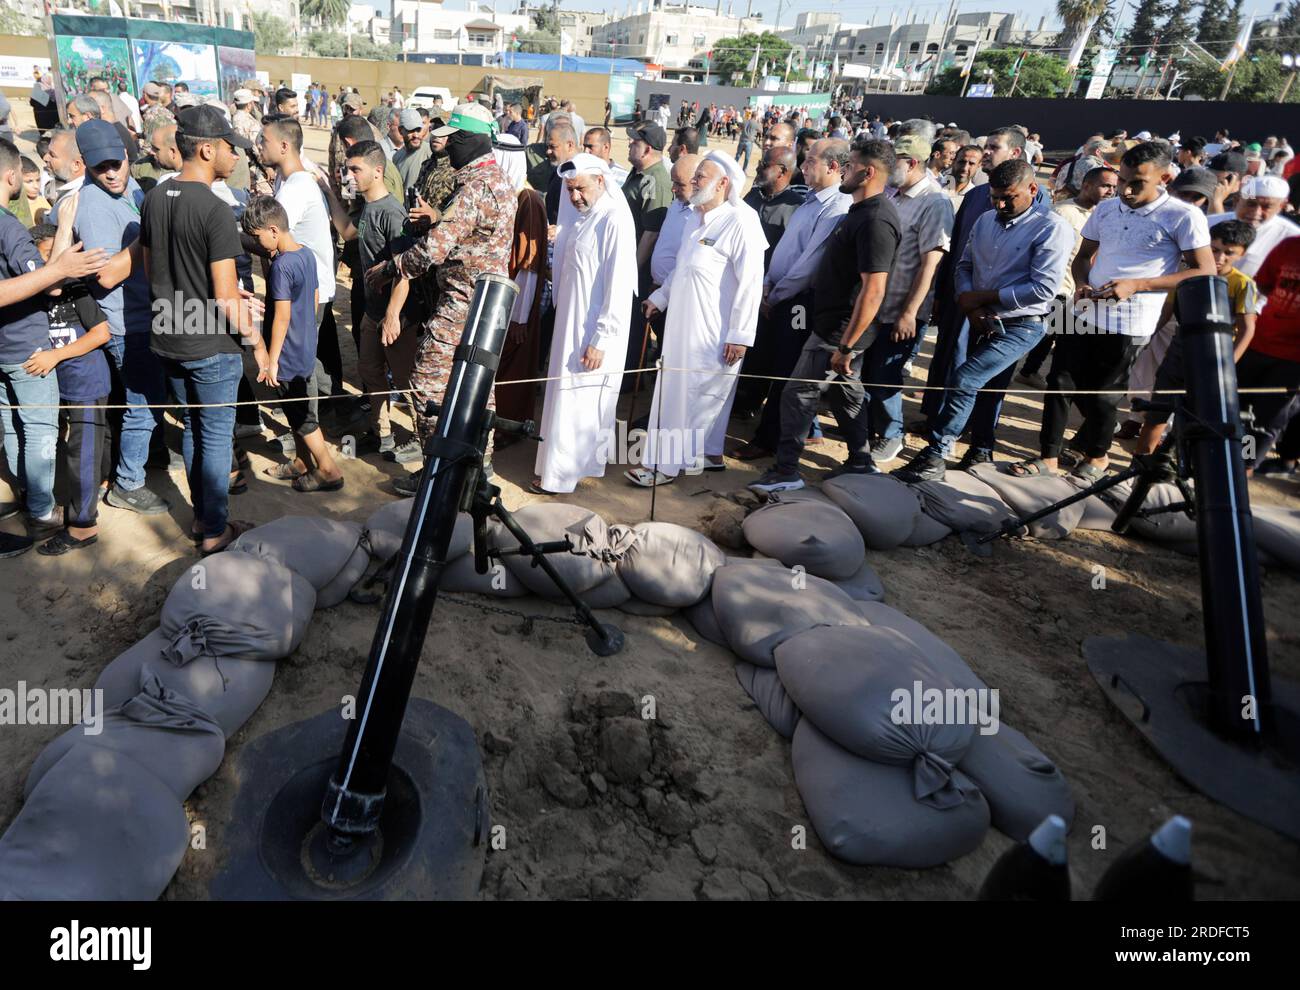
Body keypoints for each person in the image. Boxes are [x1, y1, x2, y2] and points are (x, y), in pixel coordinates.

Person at [1016, 142, 1214, 480]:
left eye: (1136, 182)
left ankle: (1097, 457)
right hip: (1080, 309)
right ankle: (1047, 458)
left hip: (1130, 319)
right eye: (1121, 180)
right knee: (1059, 382)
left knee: (1103, 395)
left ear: (1164, 177)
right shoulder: (1106, 209)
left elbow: (1204, 270)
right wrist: (1081, 282)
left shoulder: (1184, 216)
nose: (1125, 189)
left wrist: (1139, 285)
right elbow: (1082, 257)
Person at [365, 101, 517, 496]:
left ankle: (439, 471)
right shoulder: (496, 180)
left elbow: (432, 251)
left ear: (469, 139)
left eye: (452, 138)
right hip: (486, 304)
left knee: (425, 382)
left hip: (462, 303)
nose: (446, 146)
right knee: (480, 385)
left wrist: (391, 268)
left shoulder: (474, 188)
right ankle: (477, 471)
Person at [892, 160, 1073, 483]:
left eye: (1009, 198)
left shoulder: (1052, 227)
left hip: (1022, 323)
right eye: (994, 197)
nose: (1000, 204)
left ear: (1033, 190)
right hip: (980, 318)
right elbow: (964, 266)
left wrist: (983, 298)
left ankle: (937, 453)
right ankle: (980, 449)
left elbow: (1043, 288)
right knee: (986, 385)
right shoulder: (986, 219)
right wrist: (970, 302)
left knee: (967, 378)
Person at [140, 106, 270, 554]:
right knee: (215, 435)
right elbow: (223, 293)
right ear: (208, 148)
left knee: (196, 426)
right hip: (211, 342)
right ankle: (214, 531)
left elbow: (152, 270)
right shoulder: (215, 210)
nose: (237, 156)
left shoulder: (155, 197)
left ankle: (202, 518)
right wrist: (257, 342)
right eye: (231, 148)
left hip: (168, 333)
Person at [749, 138, 900, 494]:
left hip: (840, 330)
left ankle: (787, 470)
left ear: (868, 172)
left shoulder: (877, 218)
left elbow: (874, 289)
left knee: (797, 395)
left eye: (849, 165)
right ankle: (861, 462)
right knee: (847, 396)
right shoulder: (860, 211)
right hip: (835, 326)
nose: (843, 170)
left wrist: (846, 345)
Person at [626, 152, 765, 487]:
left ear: (722, 184)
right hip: (682, 326)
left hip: (715, 332)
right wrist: (659, 298)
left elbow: (751, 283)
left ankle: (663, 467)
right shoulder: (696, 217)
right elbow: (683, 269)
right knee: (682, 392)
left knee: (695, 396)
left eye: (700, 176)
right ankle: (710, 455)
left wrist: (741, 334)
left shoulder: (741, 221)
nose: (693, 182)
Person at [0, 139, 109, 557]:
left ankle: (67, 513)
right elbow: (52, 279)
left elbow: (95, 328)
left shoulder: (76, 293)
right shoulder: (11, 229)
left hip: (70, 373)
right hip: (35, 357)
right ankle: (44, 508)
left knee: (62, 440)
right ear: (12, 176)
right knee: (41, 434)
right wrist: (62, 240)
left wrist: (57, 354)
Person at [65, 119, 170, 515]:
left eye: (115, 163)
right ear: (86, 166)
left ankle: (149, 457)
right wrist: (150, 229)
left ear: (127, 155)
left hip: (147, 311)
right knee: (141, 404)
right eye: (99, 167)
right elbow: (107, 274)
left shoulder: (132, 187)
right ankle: (127, 483)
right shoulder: (92, 206)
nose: (110, 173)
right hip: (126, 321)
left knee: (150, 396)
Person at [923, 127, 1050, 452]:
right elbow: (959, 251)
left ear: (1017, 155)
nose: (986, 151)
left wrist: (984, 301)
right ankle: (939, 424)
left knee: (988, 378)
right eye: (987, 145)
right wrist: (952, 293)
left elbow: (1034, 276)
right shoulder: (978, 195)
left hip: (1005, 312)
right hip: (963, 299)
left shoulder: (1038, 206)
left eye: (994, 147)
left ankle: (980, 443)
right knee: (951, 362)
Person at [734, 138, 852, 461]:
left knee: (785, 371)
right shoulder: (811, 199)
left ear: (833, 167)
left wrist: (777, 293)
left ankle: (770, 439)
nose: (804, 166)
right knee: (771, 363)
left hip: (799, 303)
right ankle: (774, 428)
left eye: (811, 160)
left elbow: (809, 265)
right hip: (779, 294)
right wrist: (769, 284)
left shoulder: (836, 208)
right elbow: (787, 248)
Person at [532, 155, 637, 495]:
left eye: (580, 188)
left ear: (601, 182)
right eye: (569, 190)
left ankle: (560, 477)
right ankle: (561, 467)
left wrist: (601, 338)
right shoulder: (582, 219)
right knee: (567, 398)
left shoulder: (614, 220)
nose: (574, 196)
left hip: (592, 330)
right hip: (571, 326)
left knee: (579, 400)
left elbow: (619, 286)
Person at [319, 140, 421, 463]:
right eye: (348, 169)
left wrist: (392, 315)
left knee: (408, 382)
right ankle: (384, 435)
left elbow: (407, 271)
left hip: (398, 318)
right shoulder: (366, 208)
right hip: (373, 314)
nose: (350, 175)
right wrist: (328, 190)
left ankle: (423, 438)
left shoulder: (392, 213)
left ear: (378, 171)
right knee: (370, 372)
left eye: (355, 169)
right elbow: (348, 231)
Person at [240, 196, 343, 492]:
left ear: (273, 230)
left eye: (257, 236)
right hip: (305, 348)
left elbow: (281, 318)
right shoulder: (305, 254)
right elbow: (311, 298)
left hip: (287, 355)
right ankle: (301, 461)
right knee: (296, 408)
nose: (257, 243)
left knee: (303, 417)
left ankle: (328, 470)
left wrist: (272, 360)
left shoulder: (281, 266)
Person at [862, 134, 954, 464]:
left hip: (902, 309)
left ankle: (890, 434)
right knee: (869, 371)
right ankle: (871, 426)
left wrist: (909, 313)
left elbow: (931, 263)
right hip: (876, 305)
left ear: (912, 163)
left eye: (892, 164)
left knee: (886, 375)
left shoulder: (934, 202)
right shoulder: (894, 195)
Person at [1134, 219, 1260, 458]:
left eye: (1228, 253)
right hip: (1179, 352)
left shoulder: (1243, 285)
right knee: (1157, 415)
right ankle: (1140, 466)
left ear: (1242, 254)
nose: (1219, 257)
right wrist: (1145, 340)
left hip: (1214, 359)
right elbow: (1166, 312)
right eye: (1214, 249)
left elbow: (1246, 330)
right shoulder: (1185, 276)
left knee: (1196, 421)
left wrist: (1227, 365)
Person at [24, 223, 112, 554]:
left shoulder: (77, 289)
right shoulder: (33, 293)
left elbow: (101, 333)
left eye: (58, 256)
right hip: (53, 384)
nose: (54, 265)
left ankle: (83, 526)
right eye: (46, 257)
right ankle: (88, 491)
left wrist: (55, 355)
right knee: (67, 448)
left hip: (86, 382)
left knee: (83, 453)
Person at [257, 116, 340, 411]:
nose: (258, 145)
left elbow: (269, 239)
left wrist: (227, 235)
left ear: (283, 145)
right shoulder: (288, 180)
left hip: (306, 289)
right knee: (313, 358)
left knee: (299, 358)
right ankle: (339, 414)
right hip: (308, 284)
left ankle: (309, 424)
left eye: (263, 140)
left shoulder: (295, 189)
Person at [1017, 165, 1119, 391]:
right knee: (1049, 333)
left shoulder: (1106, 215)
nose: (1111, 191)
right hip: (1058, 287)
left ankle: (1031, 371)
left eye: (1114, 186)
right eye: (1105, 185)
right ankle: (1029, 371)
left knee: (1057, 336)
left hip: (1082, 290)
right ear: (1086, 185)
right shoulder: (1062, 212)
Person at [1236, 217, 1300, 471]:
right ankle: (1223, 459)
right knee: (1239, 407)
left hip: (1294, 360)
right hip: (1258, 342)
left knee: (1265, 419)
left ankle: (1244, 466)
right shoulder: (1289, 245)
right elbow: (1264, 282)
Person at [622, 121, 673, 378]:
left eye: (635, 142)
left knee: (634, 324)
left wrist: (630, 270)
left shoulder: (657, 181)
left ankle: (631, 378)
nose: (630, 144)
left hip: (639, 269)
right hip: (631, 263)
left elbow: (651, 234)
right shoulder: (639, 173)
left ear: (648, 149)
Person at [496, 187, 548, 425]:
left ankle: (507, 425)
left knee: (512, 370)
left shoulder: (527, 200)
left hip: (515, 307)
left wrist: (519, 317)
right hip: (504, 300)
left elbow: (528, 265)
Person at [1205, 174, 1297, 277]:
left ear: (1281, 206)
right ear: (1237, 200)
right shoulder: (1208, 224)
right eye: (1251, 204)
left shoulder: (1292, 238)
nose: (1256, 212)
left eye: (1267, 207)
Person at [393, 107, 432, 195]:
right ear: (401, 131)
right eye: (410, 130)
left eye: (418, 130)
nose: (416, 135)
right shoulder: (397, 157)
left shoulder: (430, 153)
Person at [43, 129, 85, 209]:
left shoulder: (76, 201)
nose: (45, 158)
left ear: (76, 165)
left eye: (52, 155)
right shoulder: (68, 194)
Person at [942, 144, 983, 211]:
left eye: (971, 163)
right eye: (962, 162)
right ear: (954, 161)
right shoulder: (935, 185)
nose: (965, 168)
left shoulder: (975, 198)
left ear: (979, 165)